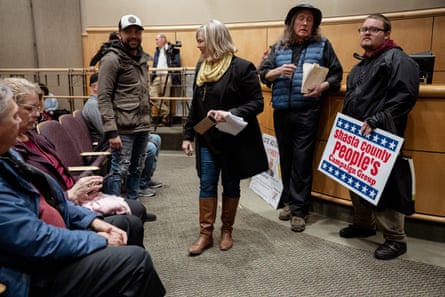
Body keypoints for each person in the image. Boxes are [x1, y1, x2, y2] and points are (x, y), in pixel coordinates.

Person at [0, 81, 166, 297]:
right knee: (136, 262)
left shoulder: (9, 156)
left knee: (127, 231)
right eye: (14, 116)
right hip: (34, 271)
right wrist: (99, 239)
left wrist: (93, 222)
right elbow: (36, 241)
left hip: (55, 237)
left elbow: (53, 200)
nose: (25, 119)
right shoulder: (11, 158)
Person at [3, 77, 151, 248]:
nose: (37, 114)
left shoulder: (35, 138)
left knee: (135, 212)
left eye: (38, 108)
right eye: (30, 108)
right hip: (62, 210)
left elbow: (58, 174)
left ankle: (123, 262)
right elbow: (38, 208)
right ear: (10, 111)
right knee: (131, 226)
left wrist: (80, 188)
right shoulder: (13, 155)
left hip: (70, 201)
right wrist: (70, 195)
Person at [182, 19, 268, 256]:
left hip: (233, 140)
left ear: (214, 40)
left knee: (231, 184)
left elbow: (257, 103)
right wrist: (188, 134)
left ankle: (227, 231)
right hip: (207, 140)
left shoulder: (242, 68)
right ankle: (205, 234)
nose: (198, 46)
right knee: (207, 184)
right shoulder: (202, 68)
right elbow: (195, 108)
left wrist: (231, 113)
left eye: (201, 41)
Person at [338, 14, 419, 260]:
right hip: (357, 134)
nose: (367, 32)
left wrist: (377, 119)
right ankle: (364, 224)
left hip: (382, 134)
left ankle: (396, 239)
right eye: (363, 29)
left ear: (387, 34)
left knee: (385, 186)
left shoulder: (398, 59)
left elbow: (405, 96)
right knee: (356, 180)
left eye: (374, 29)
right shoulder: (362, 63)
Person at [259, 3, 343, 232]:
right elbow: (263, 73)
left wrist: (323, 86)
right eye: (300, 19)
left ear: (314, 25)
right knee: (286, 159)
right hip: (282, 111)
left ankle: (299, 210)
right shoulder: (277, 46)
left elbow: (336, 73)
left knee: (302, 160)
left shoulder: (323, 45)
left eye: (309, 20)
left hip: (307, 111)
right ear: (291, 23)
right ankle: (289, 201)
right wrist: (276, 72)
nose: (305, 23)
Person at [98, 14, 152, 200]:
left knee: (137, 169)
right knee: (119, 170)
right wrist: (111, 131)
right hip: (122, 129)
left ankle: (133, 208)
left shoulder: (143, 59)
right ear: (120, 34)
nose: (133, 35)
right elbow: (103, 97)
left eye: (137, 31)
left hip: (142, 126)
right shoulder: (111, 59)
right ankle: (116, 212)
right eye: (128, 31)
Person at [83, 73, 162, 198]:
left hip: (123, 134)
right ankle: (140, 185)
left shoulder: (105, 101)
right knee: (149, 149)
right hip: (106, 142)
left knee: (155, 139)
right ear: (94, 86)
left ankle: (145, 180)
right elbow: (105, 130)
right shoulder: (93, 105)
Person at [150, 33, 182, 126]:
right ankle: (167, 113)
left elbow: (177, 63)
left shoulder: (173, 50)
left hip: (166, 76)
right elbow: (155, 64)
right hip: (157, 76)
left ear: (163, 40)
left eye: (157, 39)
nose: (156, 41)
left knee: (166, 99)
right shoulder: (157, 51)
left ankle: (165, 120)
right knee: (152, 96)